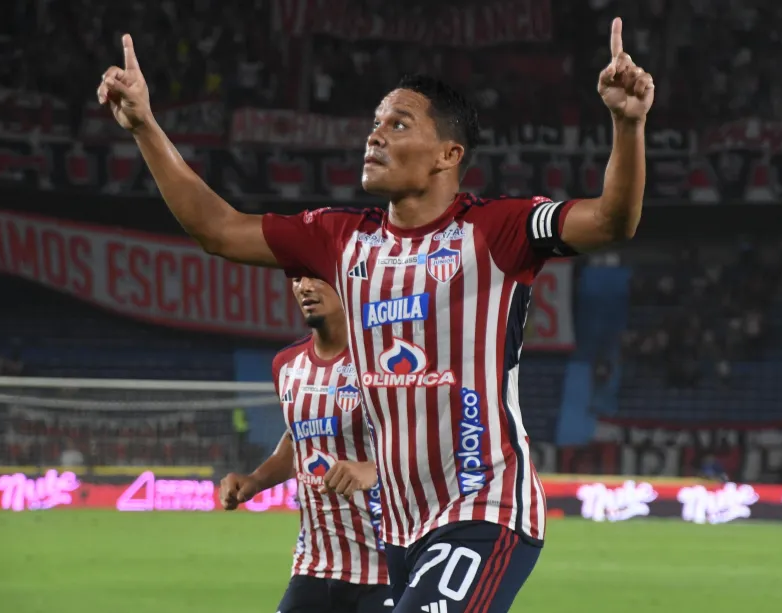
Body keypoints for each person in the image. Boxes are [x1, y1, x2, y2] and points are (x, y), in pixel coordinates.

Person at [98, 17, 652, 612]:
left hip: (484, 507)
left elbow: (611, 222)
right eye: (375, 124)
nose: (375, 136)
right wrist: (145, 127)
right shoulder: (341, 239)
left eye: (397, 123)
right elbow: (218, 229)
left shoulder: (498, 228)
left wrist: (627, 124)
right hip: (400, 529)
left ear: (449, 154)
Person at [219, 276, 391, 613]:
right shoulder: (286, 365)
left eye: (317, 275)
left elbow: (433, 441)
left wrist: (376, 468)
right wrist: (256, 480)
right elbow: (299, 438)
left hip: (385, 568)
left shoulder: (383, 360)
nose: (304, 286)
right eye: (296, 277)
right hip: (314, 567)